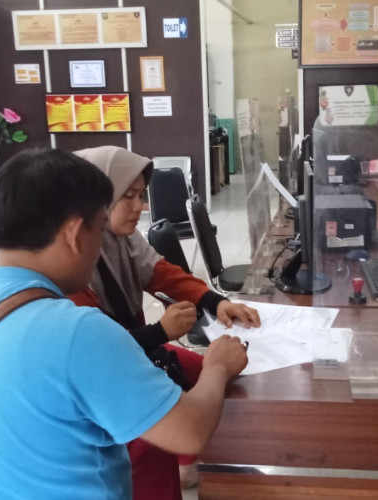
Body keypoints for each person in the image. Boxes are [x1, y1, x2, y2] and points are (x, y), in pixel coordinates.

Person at [0, 148, 248, 499]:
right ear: (73, 233)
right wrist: (218, 366)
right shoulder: (76, 330)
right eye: (99, 228)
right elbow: (188, 431)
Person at [69, 145, 261, 500]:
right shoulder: (70, 263)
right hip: (116, 363)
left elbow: (161, 273)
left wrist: (214, 302)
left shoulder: (122, 238)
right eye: (128, 197)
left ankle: (189, 463)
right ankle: (179, 463)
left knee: (213, 369)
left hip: (137, 350)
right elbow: (94, 347)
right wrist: (160, 332)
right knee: (152, 443)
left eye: (141, 196)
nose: (140, 207)